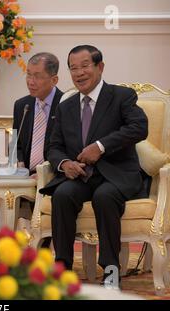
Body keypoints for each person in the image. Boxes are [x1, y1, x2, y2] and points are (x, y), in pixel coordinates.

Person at [40, 45, 148, 286]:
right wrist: (64, 163)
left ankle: (111, 270)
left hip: (116, 175)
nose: (79, 73)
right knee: (63, 195)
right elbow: (53, 147)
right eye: (73, 68)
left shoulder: (121, 96)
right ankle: (62, 268)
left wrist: (100, 146)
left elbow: (139, 128)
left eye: (85, 66)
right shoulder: (65, 106)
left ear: (100, 67)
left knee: (105, 197)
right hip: (81, 175)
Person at [10, 53, 63, 248]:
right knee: (5, 193)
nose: (31, 82)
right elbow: (16, 143)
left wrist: (45, 172)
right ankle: (4, 252)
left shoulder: (66, 104)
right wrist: (21, 165)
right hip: (26, 173)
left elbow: (69, 148)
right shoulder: (21, 105)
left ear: (54, 79)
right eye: (28, 75)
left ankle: (41, 254)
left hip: (53, 174)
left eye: (37, 76)